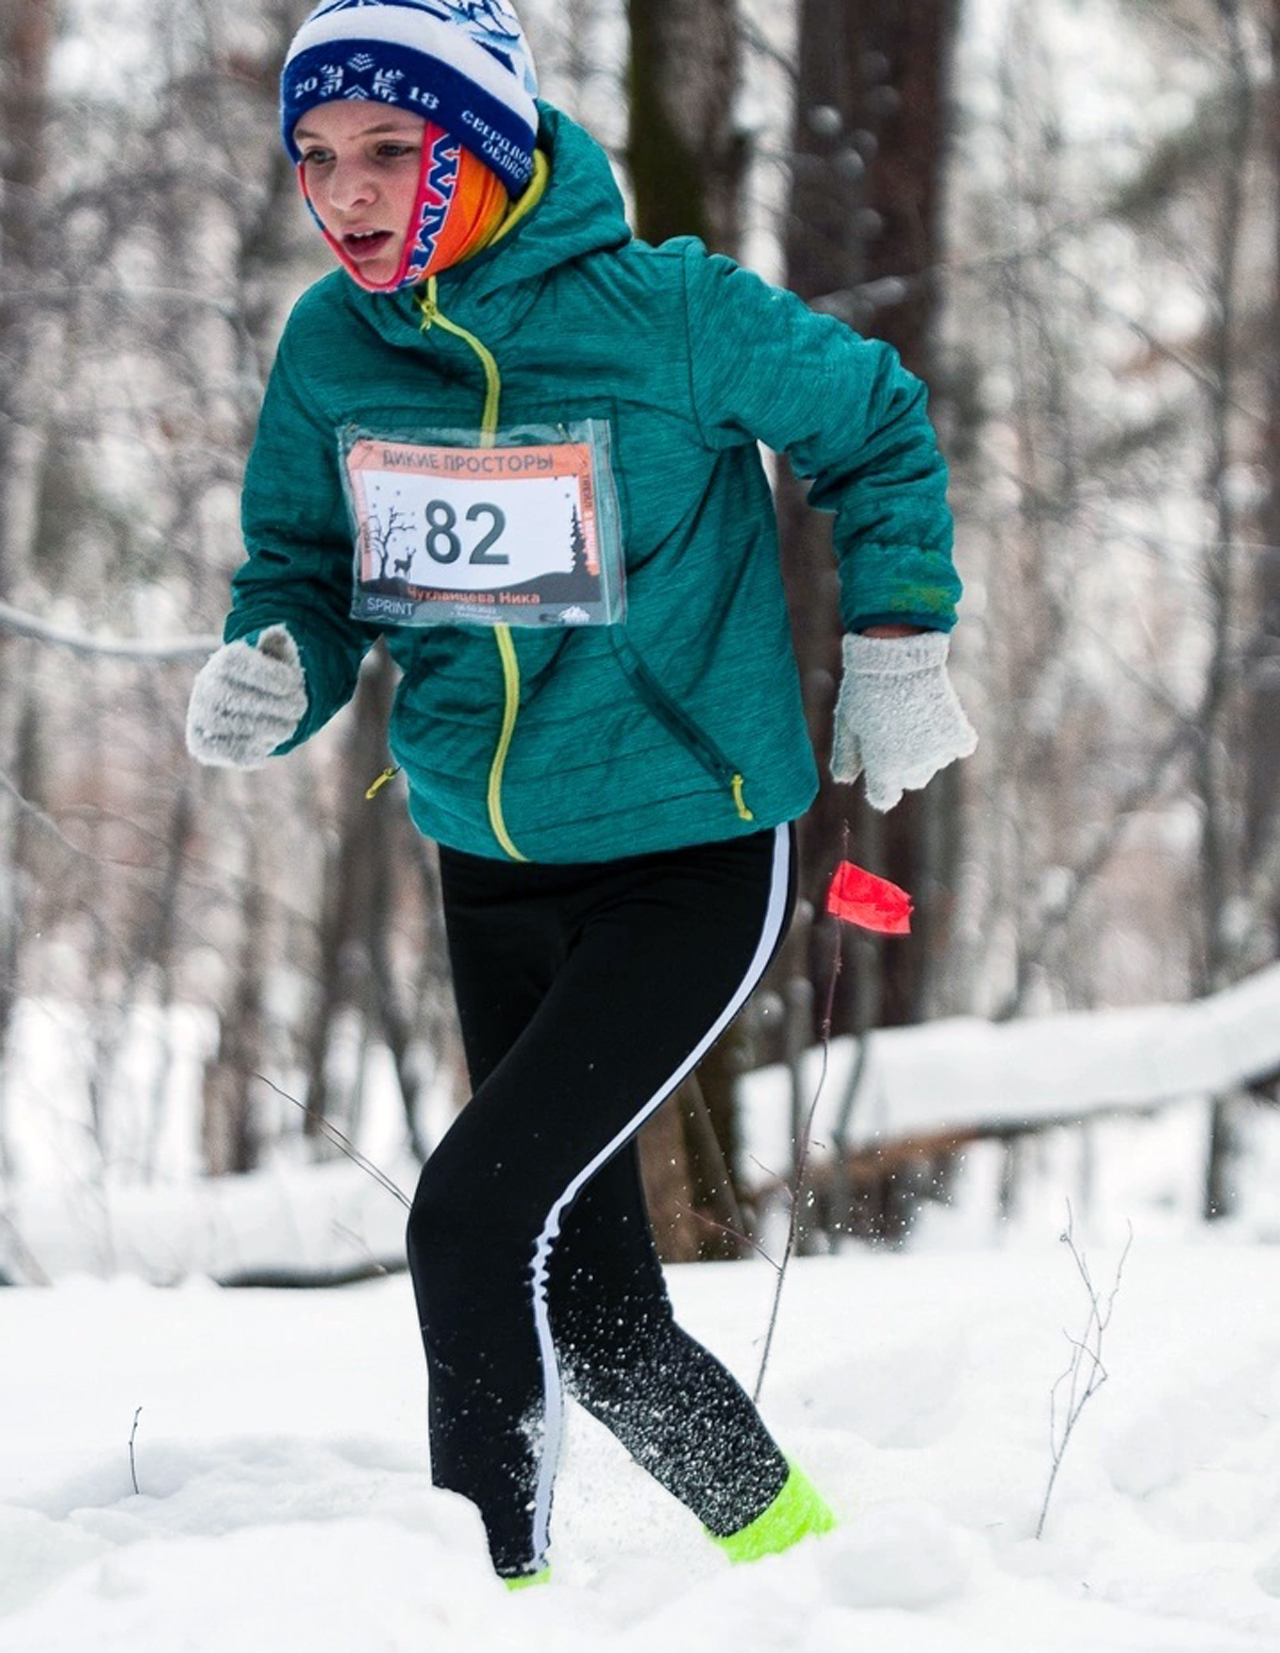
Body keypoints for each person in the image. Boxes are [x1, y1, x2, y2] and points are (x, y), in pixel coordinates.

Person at [185, 0, 977, 1588]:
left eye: (391, 151)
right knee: (598, 1310)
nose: (345, 193)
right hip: (484, 854)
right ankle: (803, 1556)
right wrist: (282, 658)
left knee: (469, 1219)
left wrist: (895, 639)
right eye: (317, 157)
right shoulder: (332, 349)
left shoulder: (663, 311)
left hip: (686, 849)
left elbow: (877, 425)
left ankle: (486, 1601)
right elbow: (308, 565)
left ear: (481, 147)